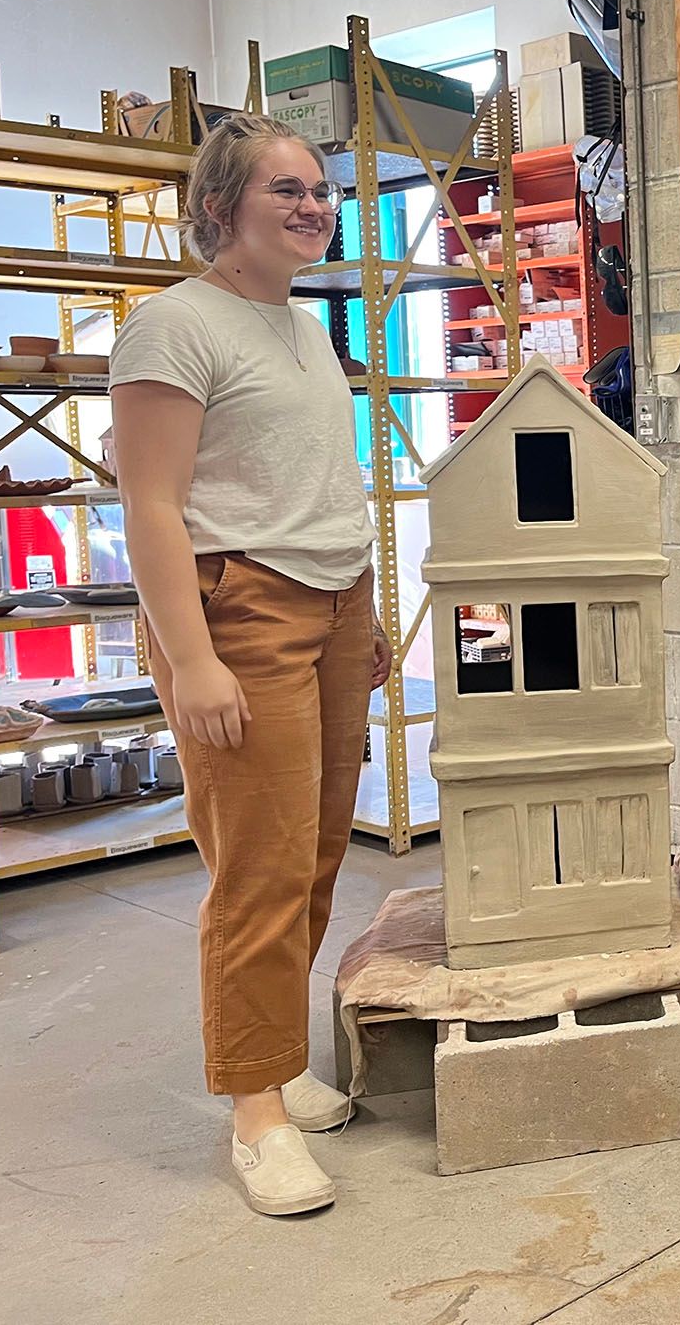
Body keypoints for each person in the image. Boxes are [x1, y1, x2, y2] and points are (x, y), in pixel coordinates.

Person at [111, 114, 390, 1217]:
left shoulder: (304, 326)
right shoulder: (173, 329)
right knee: (258, 866)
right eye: (287, 189)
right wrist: (193, 659)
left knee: (317, 851)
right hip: (242, 612)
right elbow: (148, 509)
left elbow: (310, 475)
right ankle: (254, 1111)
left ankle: (275, 1061)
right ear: (220, 207)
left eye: (321, 190)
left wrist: (358, 616)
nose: (314, 206)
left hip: (332, 605)